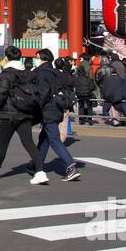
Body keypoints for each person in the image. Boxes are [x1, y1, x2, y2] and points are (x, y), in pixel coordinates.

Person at [0, 46, 42, 180]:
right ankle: (40, 171)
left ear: (7, 57)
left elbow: (1, 93)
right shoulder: (27, 73)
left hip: (9, 114)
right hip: (25, 112)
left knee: (2, 143)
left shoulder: (6, 73)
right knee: (29, 143)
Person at [29, 49, 80, 184]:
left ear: (42, 59)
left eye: (37, 57)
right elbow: (71, 81)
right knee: (44, 139)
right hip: (57, 108)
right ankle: (36, 165)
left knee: (54, 139)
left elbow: (42, 94)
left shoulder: (42, 73)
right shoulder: (55, 72)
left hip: (48, 110)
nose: (36, 60)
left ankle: (70, 166)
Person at [74, 56, 98, 125]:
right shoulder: (88, 79)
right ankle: (90, 120)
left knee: (81, 106)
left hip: (80, 94)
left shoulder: (77, 79)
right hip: (87, 94)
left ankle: (81, 120)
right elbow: (92, 86)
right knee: (89, 106)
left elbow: (75, 86)